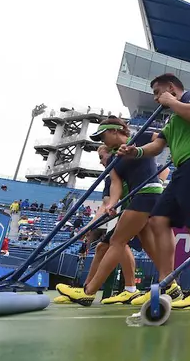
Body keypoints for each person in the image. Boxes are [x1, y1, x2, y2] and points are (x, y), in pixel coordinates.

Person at [118, 73, 190, 310]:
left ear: (171, 88)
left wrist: (171, 102)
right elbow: (157, 146)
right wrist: (136, 152)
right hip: (182, 170)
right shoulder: (172, 120)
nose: (156, 99)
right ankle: (167, 283)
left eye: (157, 92)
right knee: (158, 220)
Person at [56, 125, 165, 306]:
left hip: (148, 192)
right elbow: (115, 184)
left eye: (102, 136)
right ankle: (171, 283)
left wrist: (138, 151)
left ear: (115, 131)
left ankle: (88, 292)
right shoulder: (114, 159)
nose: (101, 140)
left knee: (116, 242)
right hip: (137, 199)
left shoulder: (141, 136)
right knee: (146, 244)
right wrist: (113, 203)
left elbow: (162, 140)